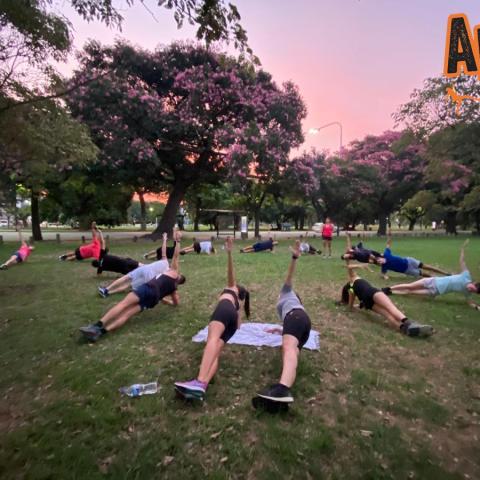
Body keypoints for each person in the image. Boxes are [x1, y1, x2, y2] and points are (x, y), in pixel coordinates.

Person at [174, 236, 250, 400]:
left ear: (237, 289)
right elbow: (237, 326)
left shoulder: (231, 290)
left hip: (223, 310)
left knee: (211, 340)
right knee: (215, 351)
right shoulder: (238, 306)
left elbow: (231, 275)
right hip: (230, 326)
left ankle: (199, 380)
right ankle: (202, 386)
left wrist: (229, 254)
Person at [79, 231, 186, 342]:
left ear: (178, 275)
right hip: (153, 300)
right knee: (127, 314)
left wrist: (178, 241)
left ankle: (96, 326)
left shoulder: (173, 271)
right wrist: (165, 300)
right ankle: (101, 332)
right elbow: (175, 303)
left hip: (149, 288)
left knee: (123, 304)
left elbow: (176, 255)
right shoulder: (174, 289)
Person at [253, 240, 312, 408]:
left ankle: (281, 389)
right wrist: (280, 330)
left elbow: (289, 276)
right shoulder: (293, 307)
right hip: (302, 323)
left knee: (288, 349)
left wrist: (294, 258)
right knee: (291, 352)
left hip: (296, 319)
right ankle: (282, 399)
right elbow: (295, 324)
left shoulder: (287, 293)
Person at [339, 261, 433, 337]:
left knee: (387, 314)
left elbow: (350, 307)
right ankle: (409, 323)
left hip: (367, 302)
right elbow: (349, 267)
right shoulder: (354, 278)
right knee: (391, 308)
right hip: (372, 292)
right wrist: (360, 266)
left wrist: (353, 306)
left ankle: (404, 328)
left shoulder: (351, 290)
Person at [388, 240, 480, 310]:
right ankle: (389, 289)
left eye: (472, 291)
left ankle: (392, 292)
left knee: (410, 292)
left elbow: (470, 303)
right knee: (410, 286)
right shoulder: (466, 276)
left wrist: (477, 307)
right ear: (474, 283)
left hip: (434, 292)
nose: (470, 290)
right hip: (433, 281)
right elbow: (462, 262)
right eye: (472, 288)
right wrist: (462, 250)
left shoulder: (467, 292)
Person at [98, 232, 171, 297]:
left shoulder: (165, 262)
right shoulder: (166, 273)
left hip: (145, 269)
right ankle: (109, 293)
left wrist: (164, 239)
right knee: (128, 285)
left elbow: (163, 250)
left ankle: (106, 290)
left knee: (125, 278)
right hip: (148, 277)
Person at [379, 230, 450, 279]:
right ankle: (439, 278)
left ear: (381, 257)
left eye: (379, 259)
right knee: (424, 274)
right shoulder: (384, 266)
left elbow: (388, 243)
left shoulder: (386, 254)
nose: (380, 261)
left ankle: (445, 273)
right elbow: (383, 274)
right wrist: (385, 277)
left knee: (427, 267)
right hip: (407, 270)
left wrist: (389, 236)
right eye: (378, 262)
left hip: (409, 261)